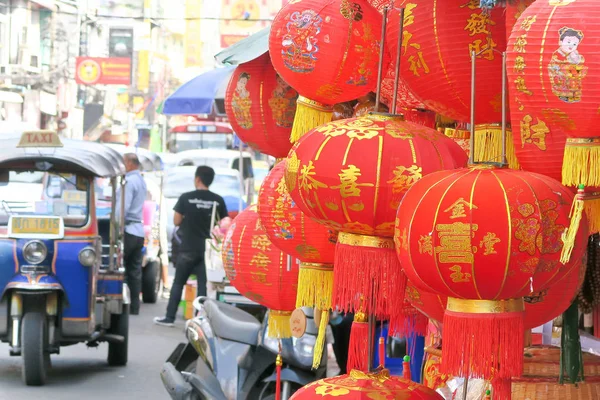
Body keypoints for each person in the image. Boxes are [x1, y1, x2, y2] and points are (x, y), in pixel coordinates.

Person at [154, 166, 228, 327]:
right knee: (203, 286)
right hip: (207, 250)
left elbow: (176, 221)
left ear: (197, 179)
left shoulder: (186, 198)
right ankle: (200, 320)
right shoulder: (218, 200)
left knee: (178, 283)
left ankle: (169, 317)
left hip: (187, 248)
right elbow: (224, 224)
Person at [118, 153, 147, 315]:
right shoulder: (141, 181)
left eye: (123, 163)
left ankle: (122, 305)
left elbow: (122, 209)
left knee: (120, 268)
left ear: (129, 163)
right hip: (138, 231)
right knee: (135, 271)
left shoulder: (129, 182)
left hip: (128, 230)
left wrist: (115, 224)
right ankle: (135, 306)